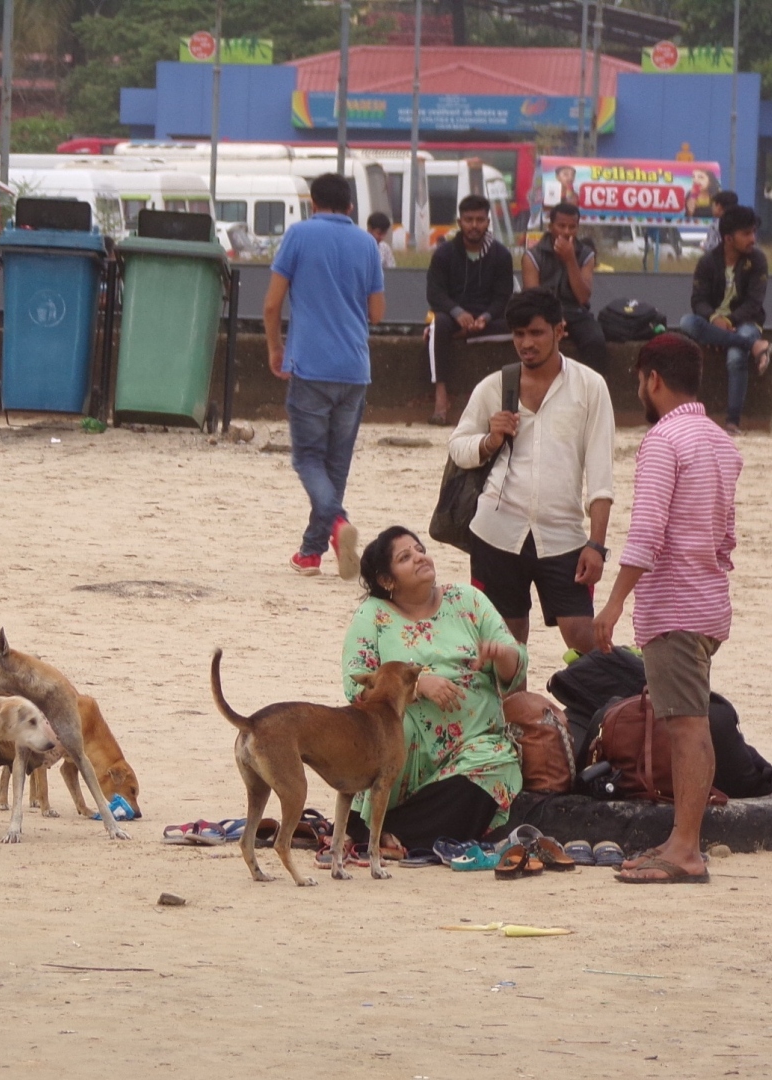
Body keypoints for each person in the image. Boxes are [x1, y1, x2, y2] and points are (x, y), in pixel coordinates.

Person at [593, 333, 743, 884]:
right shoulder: (723, 443)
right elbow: (726, 539)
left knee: (686, 726)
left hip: (675, 605)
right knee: (689, 721)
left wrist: (613, 603)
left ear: (652, 378)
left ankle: (684, 847)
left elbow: (647, 533)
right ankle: (683, 841)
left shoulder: (663, 441)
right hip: (709, 603)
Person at [447, 288, 614, 658]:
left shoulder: (590, 387)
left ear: (560, 330)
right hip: (496, 531)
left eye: (536, 333)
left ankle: (597, 715)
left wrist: (597, 545)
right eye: (519, 334)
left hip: (564, 535)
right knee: (505, 646)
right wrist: (490, 440)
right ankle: (506, 717)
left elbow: (601, 474)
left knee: (584, 638)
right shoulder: (495, 386)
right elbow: (458, 446)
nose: (526, 343)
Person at [340, 527, 527, 851]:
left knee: (497, 764)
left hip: (475, 737)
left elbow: (515, 667)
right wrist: (417, 685)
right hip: (409, 737)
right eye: (405, 557)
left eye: (419, 549)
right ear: (387, 580)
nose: (420, 557)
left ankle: (394, 833)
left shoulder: (467, 599)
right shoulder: (373, 614)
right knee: (385, 742)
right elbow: (355, 682)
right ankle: (377, 829)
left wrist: (502, 655)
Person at [263, 172, 385, 579]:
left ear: (312, 203)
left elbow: (271, 304)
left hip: (311, 366)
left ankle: (336, 524)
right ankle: (311, 553)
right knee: (335, 466)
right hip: (355, 368)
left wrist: (276, 348)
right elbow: (378, 313)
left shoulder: (298, 235)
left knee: (307, 459)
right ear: (351, 206)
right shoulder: (368, 243)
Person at [679, 204, 772, 435]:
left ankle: (732, 422)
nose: (753, 238)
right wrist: (713, 318)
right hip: (712, 323)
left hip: (745, 323)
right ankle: (755, 346)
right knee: (686, 323)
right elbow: (698, 301)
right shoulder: (708, 262)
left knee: (734, 356)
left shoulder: (757, 260)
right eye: (747, 234)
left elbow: (754, 303)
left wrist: (728, 322)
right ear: (729, 238)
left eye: (754, 232)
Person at [424, 194, 515, 424]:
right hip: (454, 317)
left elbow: (503, 297)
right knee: (439, 324)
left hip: (490, 321)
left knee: (520, 327)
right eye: (469, 220)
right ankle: (441, 397)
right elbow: (435, 294)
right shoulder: (444, 254)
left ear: (487, 222)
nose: (474, 225)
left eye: (480, 220)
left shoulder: (501, 255)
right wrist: (458, 313)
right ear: (459, 222)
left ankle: (463, 335)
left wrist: (484, 317)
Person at [520, 201, 607, 374]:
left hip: (575, 312)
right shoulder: (532, 256)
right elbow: (532, 298)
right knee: (539, 339)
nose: (567, 232)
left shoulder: (586, 255)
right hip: (543, 312)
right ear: (551, 226)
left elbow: (583, 296)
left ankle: (594, 390)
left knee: (595, 340)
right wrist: (553, 318)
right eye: (561, 226)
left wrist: (570, 259)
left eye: (572, 227)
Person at [701, 190, 740, 254]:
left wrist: (703, 246)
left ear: (718, 207)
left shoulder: (715, 225)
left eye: (713, 206)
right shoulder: (741, 222)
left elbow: (711, 247)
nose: (712, 208)